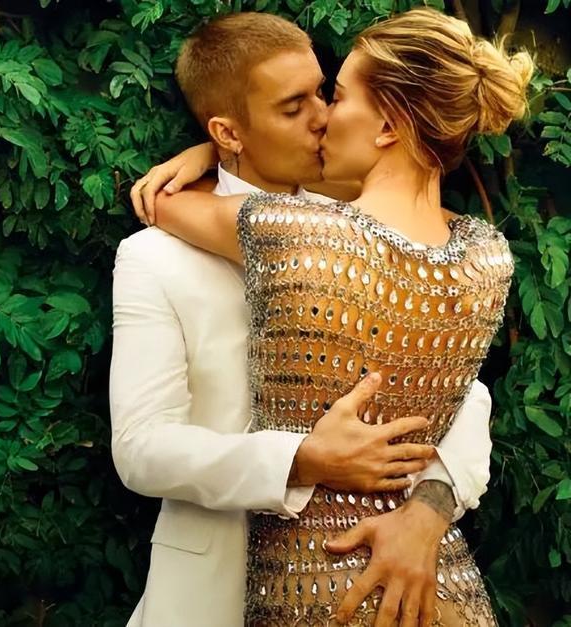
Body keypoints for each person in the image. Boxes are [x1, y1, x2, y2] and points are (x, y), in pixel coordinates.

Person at [112, 11, 504, 627]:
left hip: (371, 574)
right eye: (293, 108)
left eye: (325, 94)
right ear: (228, 131)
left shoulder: (384, 232)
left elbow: (463, 393)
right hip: (212, 590)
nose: (322, 116)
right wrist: (299, 459)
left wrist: (426, 511)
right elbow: (141, 447)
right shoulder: (154, 256)